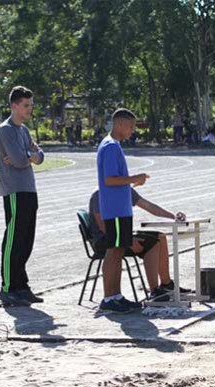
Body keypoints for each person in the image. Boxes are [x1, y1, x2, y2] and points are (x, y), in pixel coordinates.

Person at [96, 108, 151, 313]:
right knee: (114, 251)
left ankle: (116, 295)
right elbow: (109, 179)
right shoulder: (110, 146)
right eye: (130, 126)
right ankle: (109, 297)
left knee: (118, 250)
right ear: (119, 124)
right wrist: (134, 178)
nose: (132, 131)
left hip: (119, 207)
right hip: (115, 208)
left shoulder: (113, 145)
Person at [0, 86, 46, 306]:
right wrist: (28, 155)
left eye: (30, 105)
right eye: (26, 105)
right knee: (13, 240)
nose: (29, 109)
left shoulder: (24, 131)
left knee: (26, 241)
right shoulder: (4, 131)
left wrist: (28, 155)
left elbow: (41, 156)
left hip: (29, 189)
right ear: (14, 105)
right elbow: (18, 159)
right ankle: (7, 287)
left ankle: (21, 285)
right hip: (14, 191)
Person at [89, 190, 188, 301]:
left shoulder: (125, 188)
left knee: (160, 237)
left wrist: (173, 217)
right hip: (104, 238)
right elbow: (102, 225)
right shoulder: (100, 194)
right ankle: (155, 292)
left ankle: (167, 284)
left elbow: (148, 206)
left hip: (121, 235)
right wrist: (128, 240)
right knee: (152, 243)